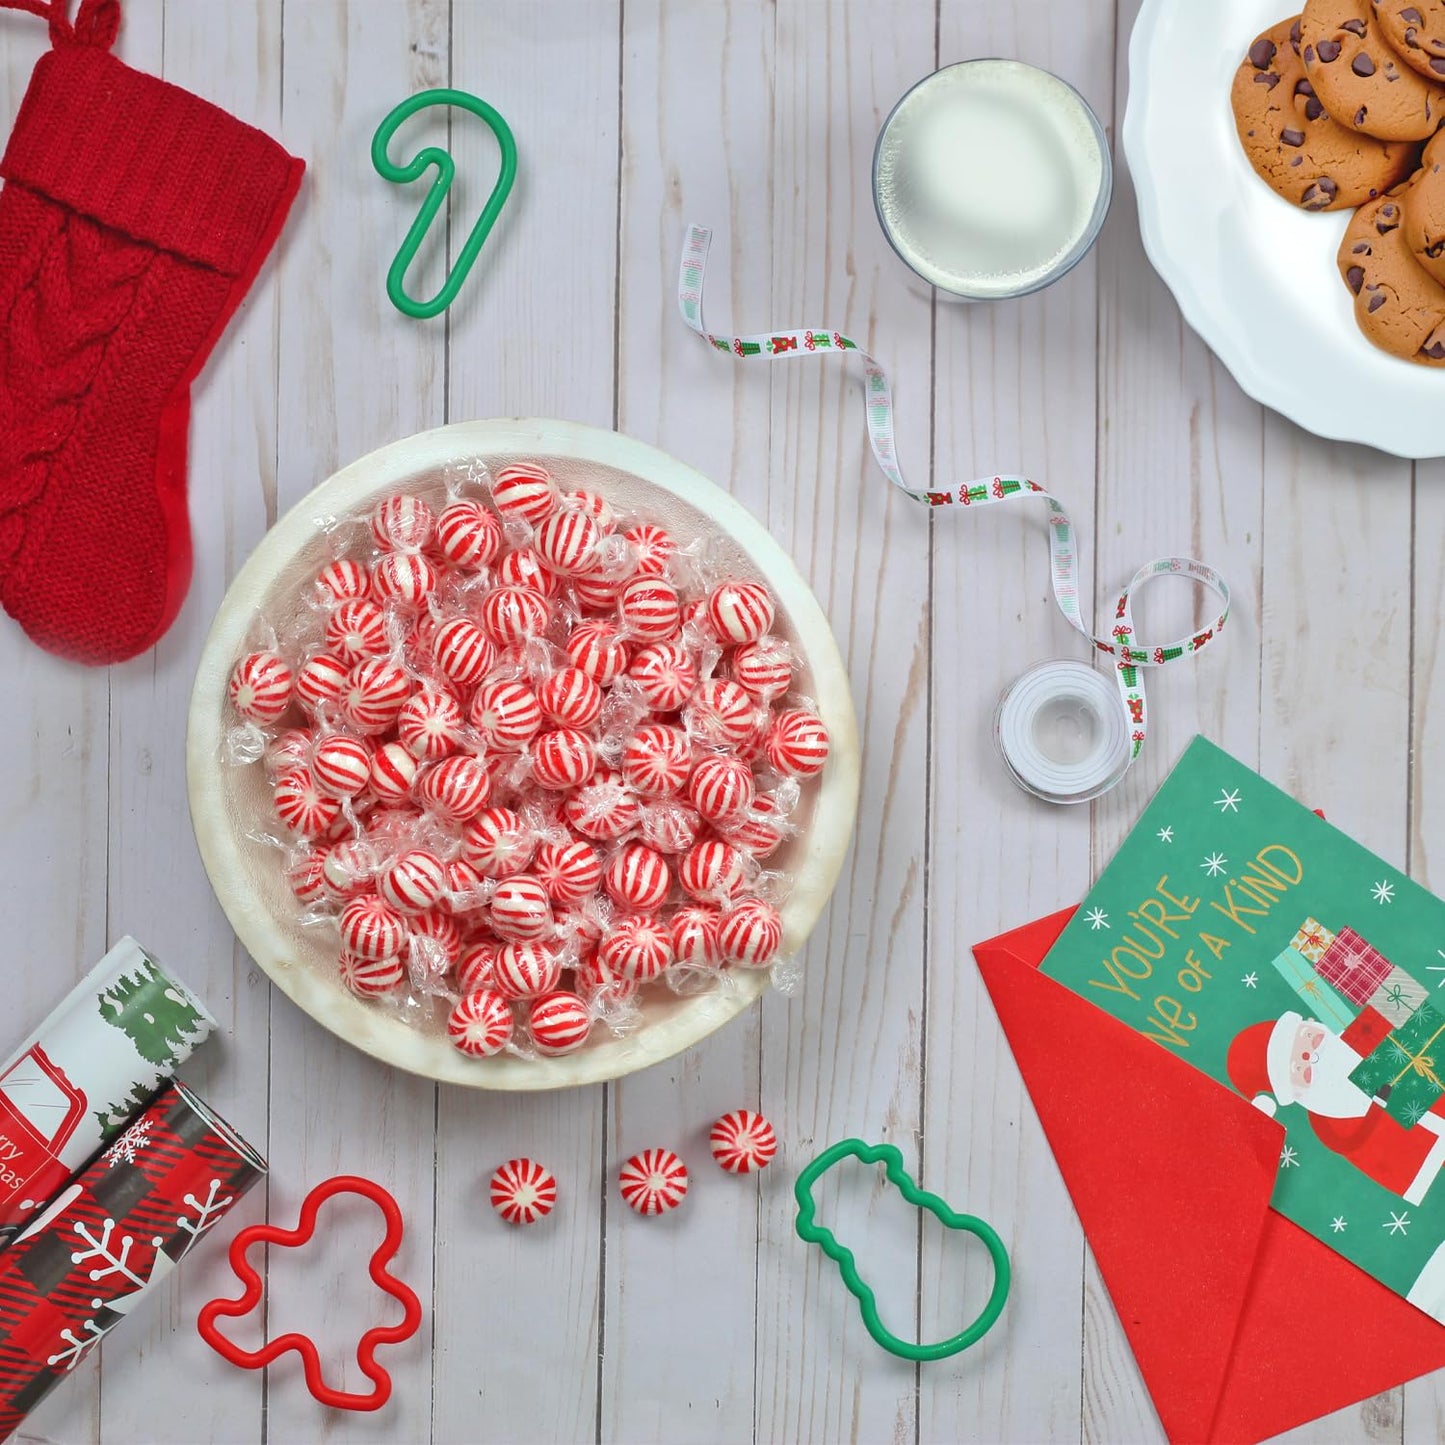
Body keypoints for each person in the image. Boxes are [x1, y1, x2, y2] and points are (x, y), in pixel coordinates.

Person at [1227, 1007, 1445, 1205]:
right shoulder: (1324, 1115)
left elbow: (1400, 1004)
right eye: (1299, 1067)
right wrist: (1377, 1106)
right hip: (1410, 1150)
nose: (1311, 1056)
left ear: (1311, 1022)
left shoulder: (1355, 1036)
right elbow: (1348, 1141)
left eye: (1308, 1037)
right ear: (1294, 1092)